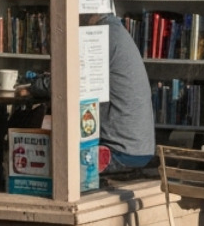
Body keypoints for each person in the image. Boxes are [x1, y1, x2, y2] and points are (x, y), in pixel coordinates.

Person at [17, 14, 156, 178]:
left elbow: (68, 82)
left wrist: (32, 87)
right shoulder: (115, 31)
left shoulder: (100, 36)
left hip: (117, 151)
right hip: (137, 148)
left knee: (38, 156)